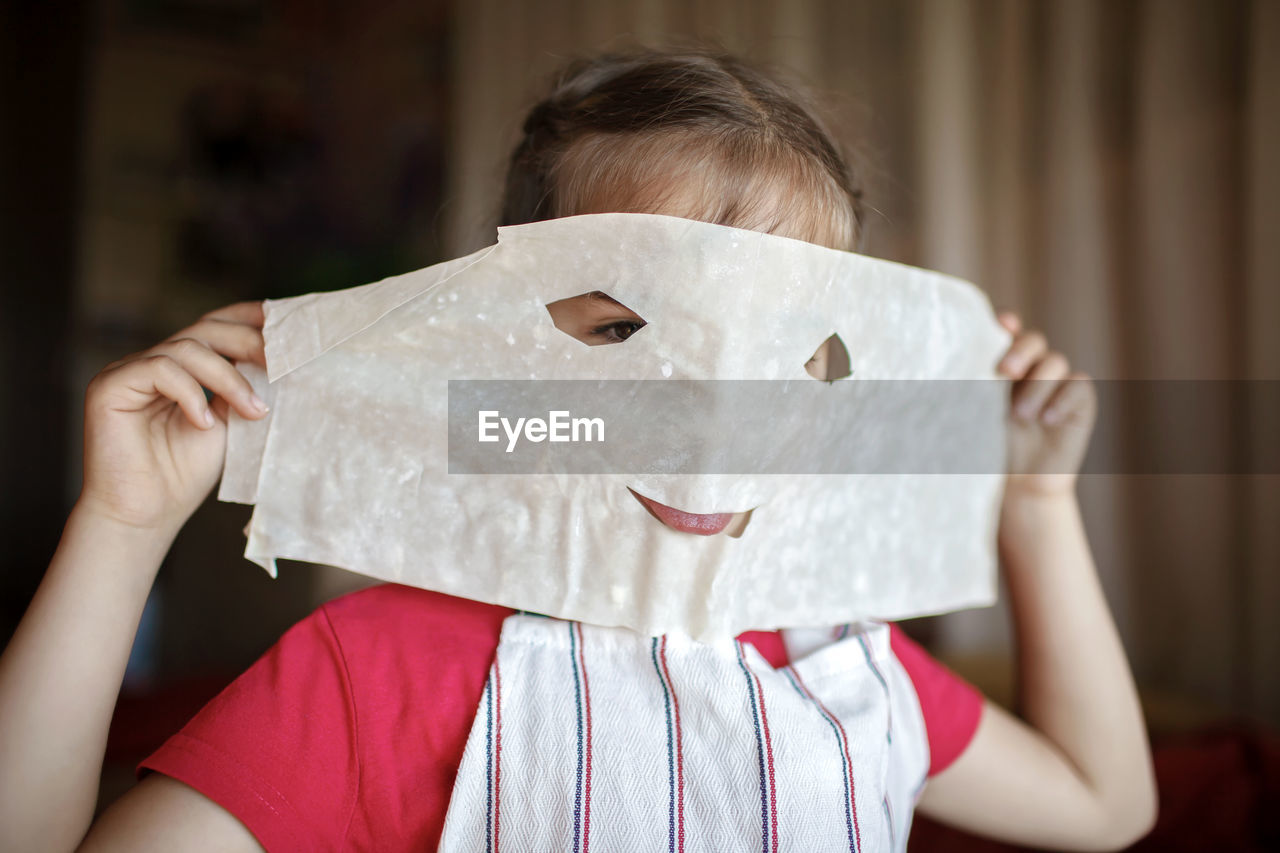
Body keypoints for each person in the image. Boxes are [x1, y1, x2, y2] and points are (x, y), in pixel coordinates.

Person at [0, 48, 1157, 851]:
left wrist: (1035, 504)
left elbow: (1105, 804)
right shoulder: (375, 669)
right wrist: (122, 529)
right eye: (620, 328)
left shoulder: (841, 658)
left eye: (784, 349)